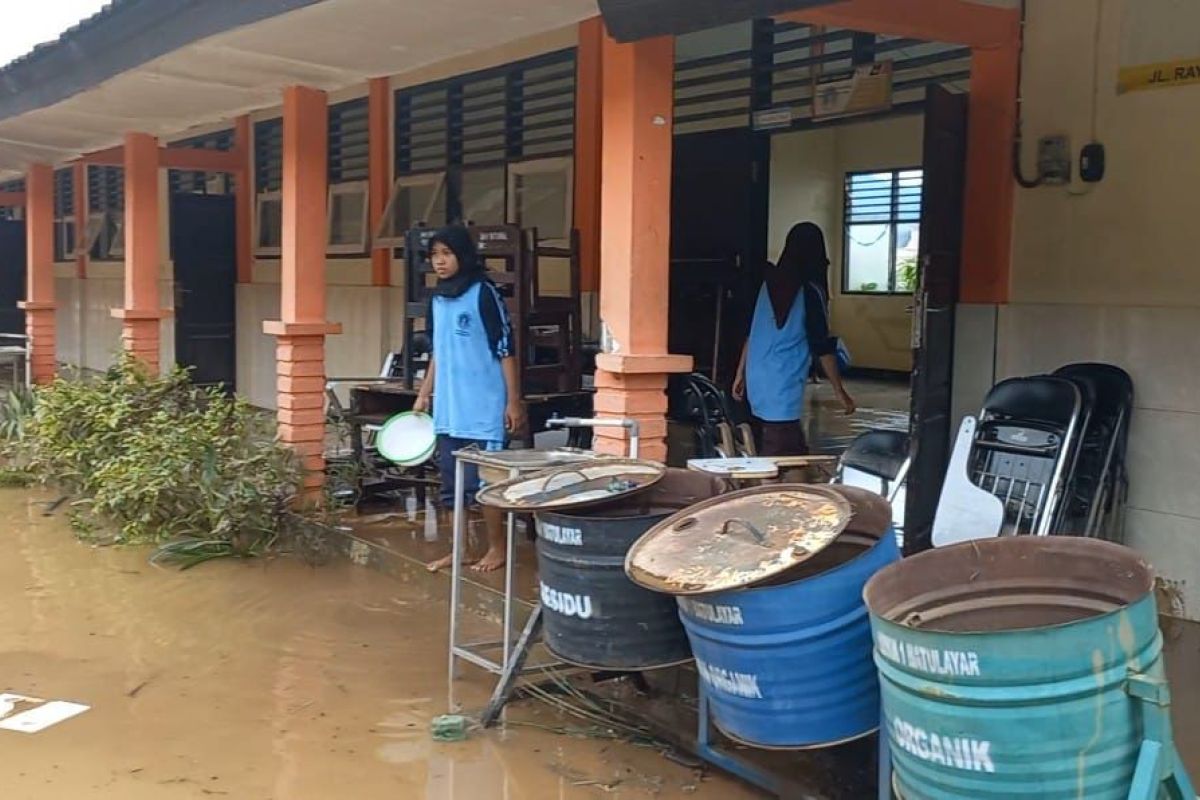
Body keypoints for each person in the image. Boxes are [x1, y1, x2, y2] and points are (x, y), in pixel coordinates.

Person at [414, 225, 525, 572]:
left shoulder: (484, 292)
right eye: (435, 255)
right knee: (452, 485)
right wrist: (423, 393)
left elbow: (505, 348)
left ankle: (497, 548)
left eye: (446, 254)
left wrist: (513, 400)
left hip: (483, 406)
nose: (440, 262)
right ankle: (460, 549)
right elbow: (438, 352)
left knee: (487, 484)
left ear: (463, 255)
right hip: (449, 408)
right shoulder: (437, 299)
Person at [732, 221, 855, 456]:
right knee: (779, 453)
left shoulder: (767, 284)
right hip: (781, 383)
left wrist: (741, 373)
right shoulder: (809, 291)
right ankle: (774, 490)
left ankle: (790, 484)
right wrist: (840, 391)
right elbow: (821, 345)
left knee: (784, 446)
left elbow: (752, 332)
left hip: (757, 377)